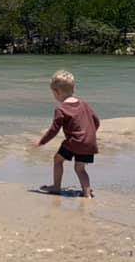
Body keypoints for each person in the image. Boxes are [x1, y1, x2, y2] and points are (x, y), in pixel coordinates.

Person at [31, 69, 100, 199]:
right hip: (89, 142)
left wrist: (41, 142)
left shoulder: (61, 109)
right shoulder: (84, 104)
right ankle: (87, 193)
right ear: (73, 89)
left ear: (57, 92)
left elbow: (54, 129)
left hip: (74, 142)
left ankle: (56, 187)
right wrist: (89, 135)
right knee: (80, 169)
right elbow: (96, 121)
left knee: (57, 160)